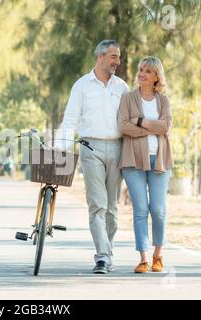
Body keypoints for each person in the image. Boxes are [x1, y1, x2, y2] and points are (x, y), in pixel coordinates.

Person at [56, 40, 129, 274]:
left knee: (112, 208)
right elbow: (70, 119)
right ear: (100, 57)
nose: (118, 62)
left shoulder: (122, 87)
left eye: (118, 57)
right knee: (97, 204)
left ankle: (107, 253)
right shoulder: (82, 86)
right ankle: (103, 257)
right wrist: (62, 149)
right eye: (113, 57)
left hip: (117, 148)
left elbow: (129, 119)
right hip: (91, 148)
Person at [118, 56, 173, 273]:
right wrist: (152, 128)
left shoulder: (163, 101)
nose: (142, 74)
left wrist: (139, 122)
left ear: (156, 76)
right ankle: (143, 258)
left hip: (159, 159)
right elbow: (123, 126)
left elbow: (166, 126)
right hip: (133, 159)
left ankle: (158, 254)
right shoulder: (128, 99)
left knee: (158, 210)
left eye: (147, 71)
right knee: (140, 209)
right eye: (141, 70)